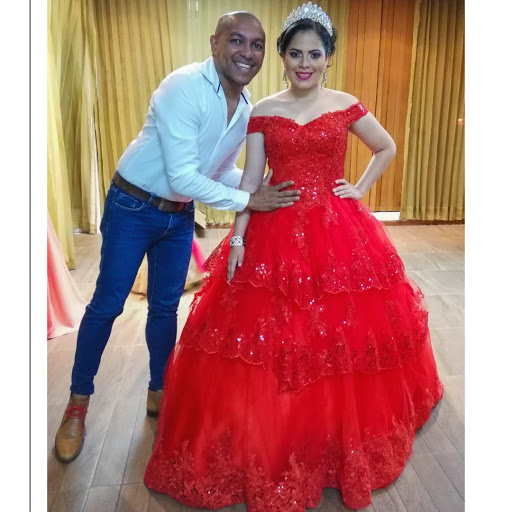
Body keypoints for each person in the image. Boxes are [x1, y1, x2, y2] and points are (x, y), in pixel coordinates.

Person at [144, 3, 443, 510]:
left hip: (336, 230)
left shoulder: (346, 104)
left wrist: (359, 188)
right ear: (281, 57)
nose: (305, 63)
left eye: (315, 54)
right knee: (265, 335)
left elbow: (386, 147)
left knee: (340, 335)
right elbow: (250, 180)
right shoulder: (262, 111)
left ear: (328, 57)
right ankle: (278, 430)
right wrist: (239, 240)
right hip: (275, 225)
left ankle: (330, 431)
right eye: (296, 54)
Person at [54, 11, 303, 464]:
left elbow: (217, 171)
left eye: (257, 45)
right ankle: (77, 405)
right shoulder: (184, 87)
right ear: (214, 42)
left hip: (178, 215)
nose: (247, 53)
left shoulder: (246, 108)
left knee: (166, 307)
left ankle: (159, 389)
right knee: (108, 305)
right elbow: (183, 176)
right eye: (237, 40)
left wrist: (260, 185)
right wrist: (249, 199)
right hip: (133, 206)